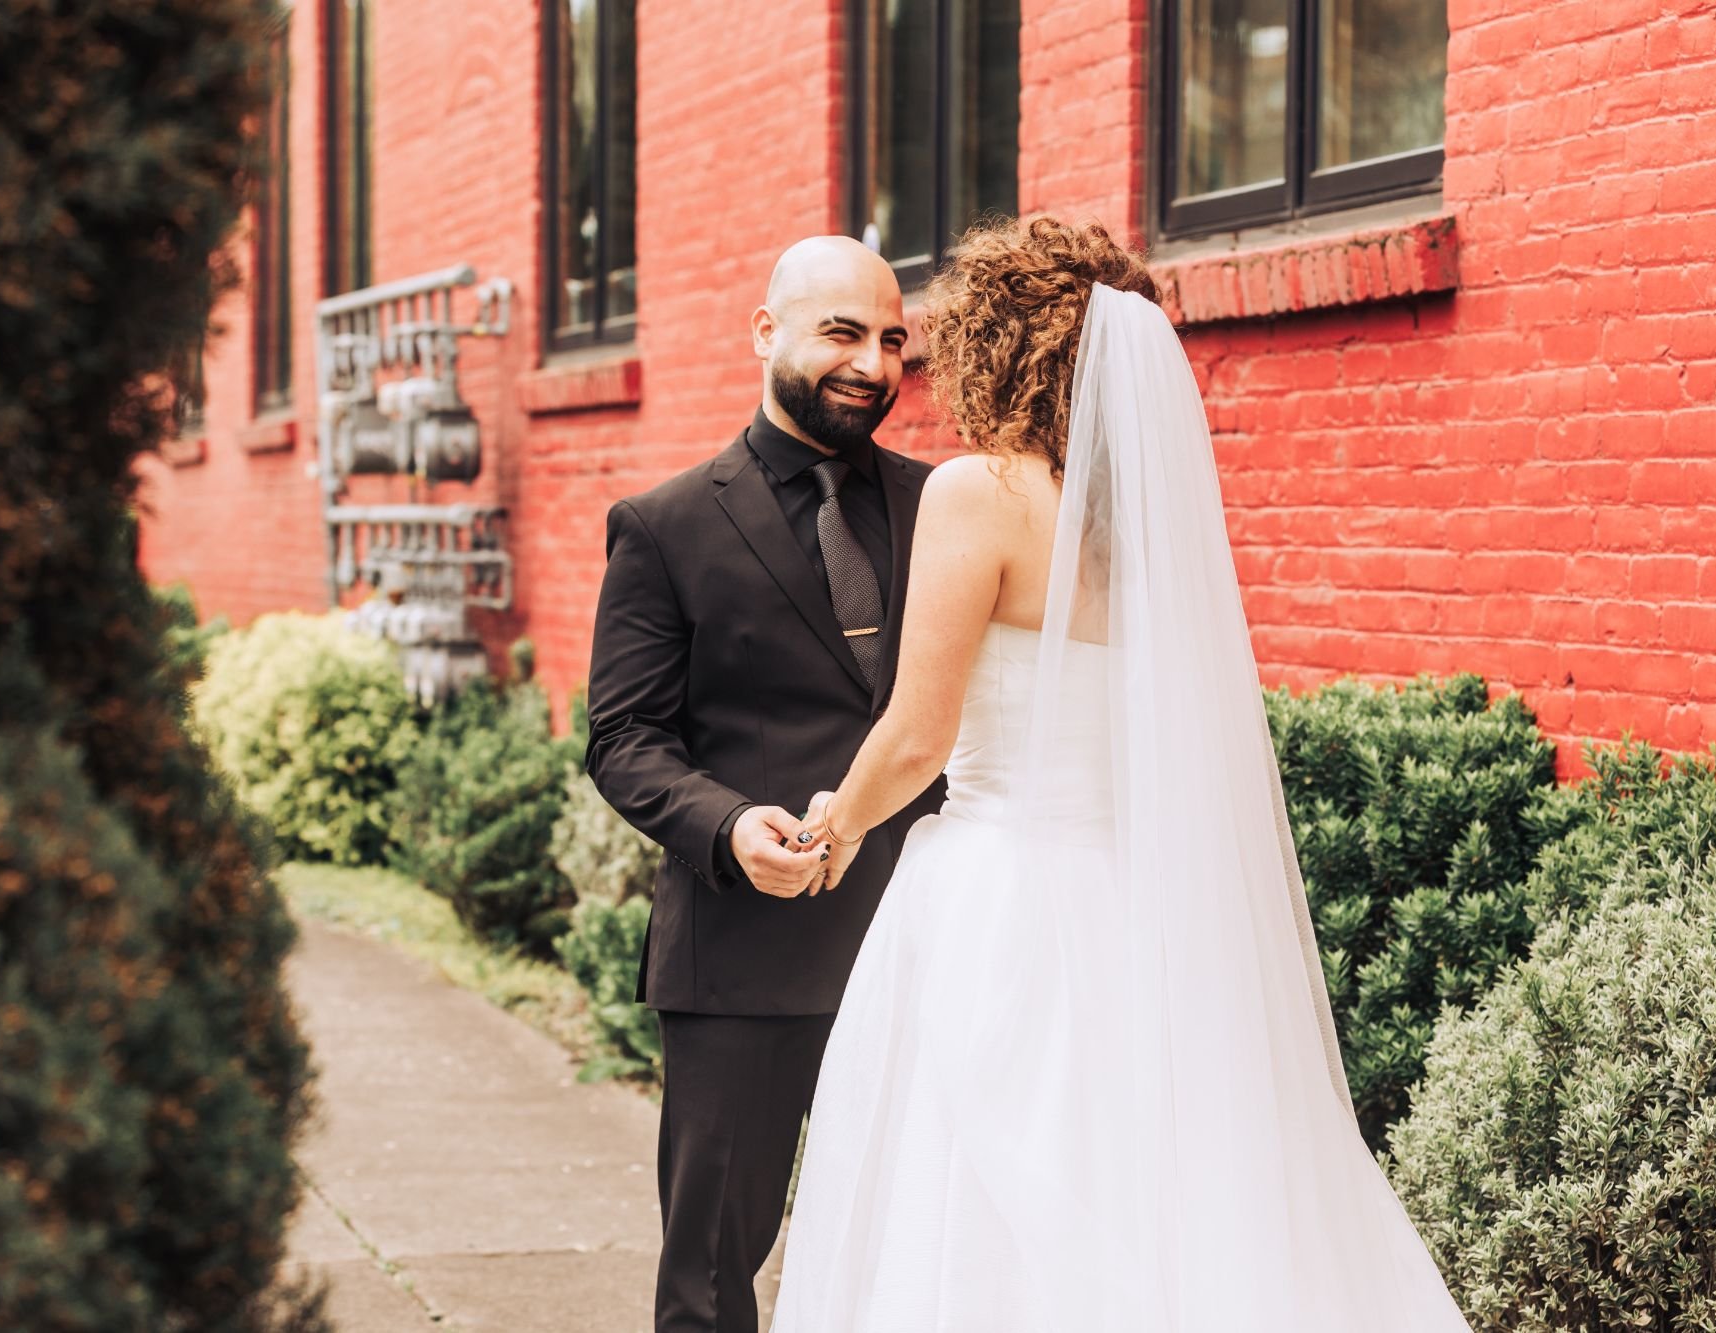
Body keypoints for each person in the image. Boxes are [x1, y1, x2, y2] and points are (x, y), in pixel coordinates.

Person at [770, 216, 1474, 1331]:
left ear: (1000, 346)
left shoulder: (981, 492)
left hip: (995, 897)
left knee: (971, 1196)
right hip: (1138, 907)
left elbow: (915, 736)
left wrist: (835, 827)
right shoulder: (1145, 523)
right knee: (1149, 1189)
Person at [584, 234, 947, 1333]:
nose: (873, 364)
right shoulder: (666, 526)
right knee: (711, 1273)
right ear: (765, 332)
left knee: (920, 1254)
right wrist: (729, 822)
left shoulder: (945, 506)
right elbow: (624, 738)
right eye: (842, 333)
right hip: (743, 955)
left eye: (891, 339)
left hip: (931, 938)